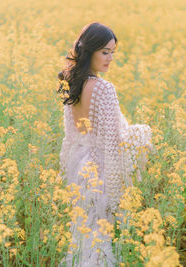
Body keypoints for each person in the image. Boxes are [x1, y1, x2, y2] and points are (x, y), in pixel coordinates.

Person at [57, 22, 153, 267]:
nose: (110, 58)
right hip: (99, 169)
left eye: (112, 52)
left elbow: (70, 136)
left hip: (78, 165)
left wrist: (64, 169)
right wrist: (143, 133)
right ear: (89, 51)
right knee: (100, 236)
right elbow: (113, 143)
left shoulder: (72, 84)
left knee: (81, 234)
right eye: (104, 52)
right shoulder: (103, 89)